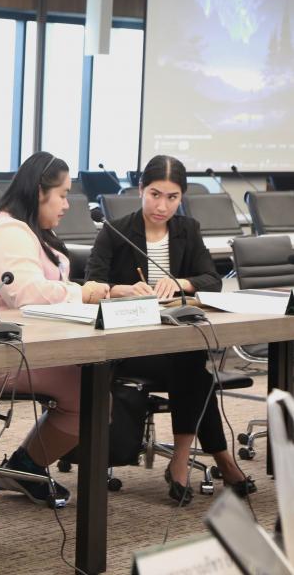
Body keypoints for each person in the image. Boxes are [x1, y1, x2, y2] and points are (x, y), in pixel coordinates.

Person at [85, 154, 255, 504]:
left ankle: (182, 459)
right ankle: (219, 459)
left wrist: (182, 283)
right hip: (128, 348)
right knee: (195, 370)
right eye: (155, 195)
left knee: (189, 363)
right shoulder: (116, 231)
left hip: (175, 344)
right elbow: (90, 286)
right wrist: (120, 290)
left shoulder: (187, 229)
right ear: (140, 190)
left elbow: (212, 280)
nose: (162, 206)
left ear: (182, 197)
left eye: (172, 197)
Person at [0, 151, 110, 505]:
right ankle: (24, 467)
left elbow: (45, 288)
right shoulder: (8, 231)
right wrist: (82, 294)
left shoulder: (26, 228)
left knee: (95, 383)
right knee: (91, 395)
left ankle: (23, 468)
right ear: (39, 191)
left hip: (21, 348)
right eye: (62, 194)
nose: (67, 205)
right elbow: (27, 293)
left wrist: (104, 292)